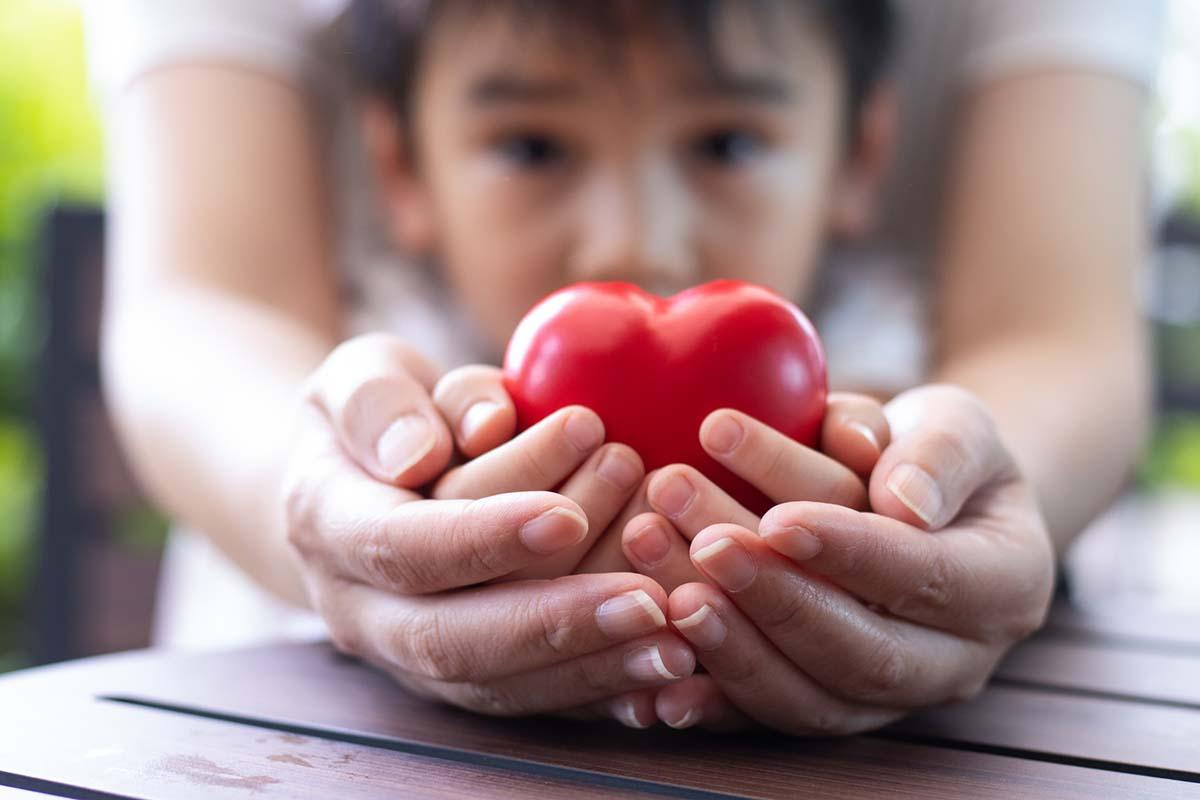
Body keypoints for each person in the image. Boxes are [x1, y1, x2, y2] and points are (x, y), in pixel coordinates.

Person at [82, 0, 1163, 733]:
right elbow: (201, 305)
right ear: (398, 165)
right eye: (533, 147)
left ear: (861, 156)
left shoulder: (871, 405)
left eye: (729, 143)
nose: (634, 244)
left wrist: (957, 501)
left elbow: (1059, 329)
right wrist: (331, 502)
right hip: (302, 724)